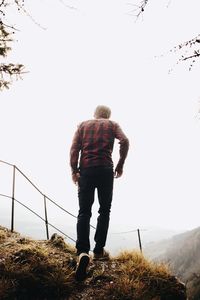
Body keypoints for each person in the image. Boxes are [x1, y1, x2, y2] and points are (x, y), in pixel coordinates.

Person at [70, 105, 129, 281]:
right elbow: (125, 141)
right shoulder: (112, 124)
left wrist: (74, 170)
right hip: (105, 170)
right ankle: (98, 250)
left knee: (84, 211)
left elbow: (74, 149)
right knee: (104, 210)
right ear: (108, 115)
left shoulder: (82, 125)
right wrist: (120, 165)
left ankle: (82, 252)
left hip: (86, 170)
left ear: (95, 114)